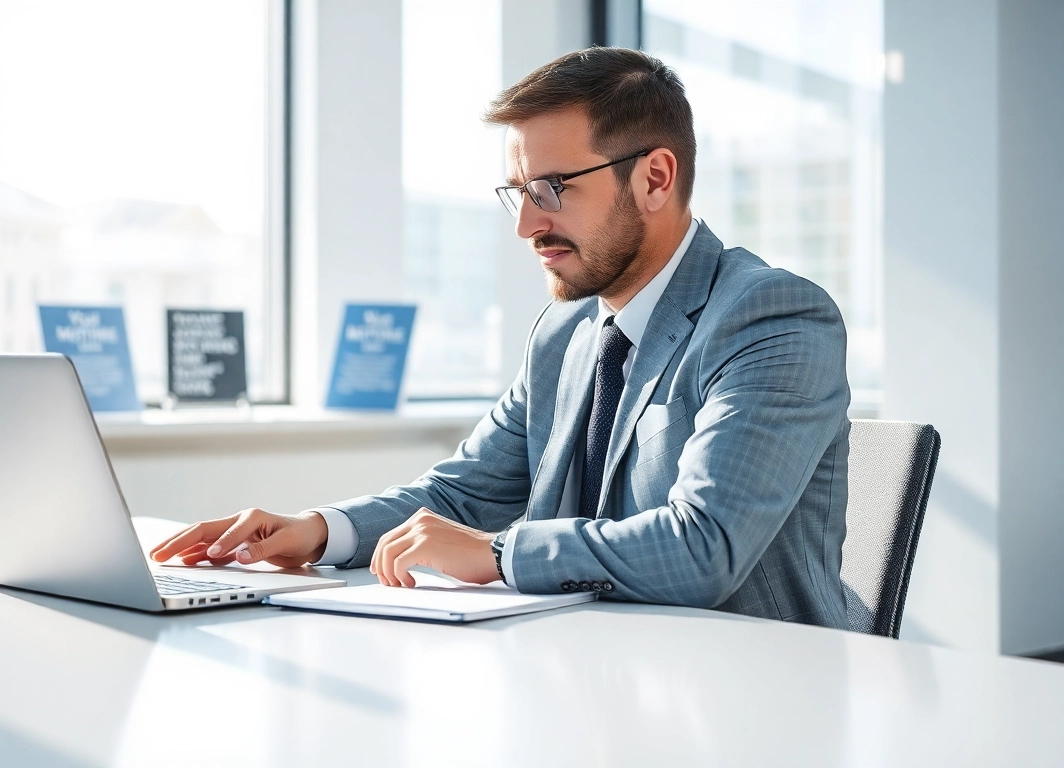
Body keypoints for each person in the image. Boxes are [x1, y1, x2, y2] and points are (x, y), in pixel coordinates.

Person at [151, 47, 851, 628]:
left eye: (551, 189)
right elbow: (460, 496)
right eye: (518, 192)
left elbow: (705, 548)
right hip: (596, 675)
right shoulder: (568, 332)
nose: (526, 226)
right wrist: (319, 530)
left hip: (756, 692)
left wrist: (500, 553)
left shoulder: (771, 317)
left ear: (656, 179)